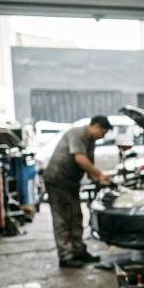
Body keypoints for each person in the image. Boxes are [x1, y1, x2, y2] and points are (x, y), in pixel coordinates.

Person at [42, 115, 112, 268]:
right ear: (96, 126)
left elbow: (88, 165)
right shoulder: (78, 133)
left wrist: (98, 180)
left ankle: (79, 251)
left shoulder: (91, 141)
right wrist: (100, 174)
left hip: (71, 182)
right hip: (57, 181)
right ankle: (66, 256)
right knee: (62, 218)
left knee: (76, 216)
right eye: (103, 132)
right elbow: (80, 159)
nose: (103, 136)